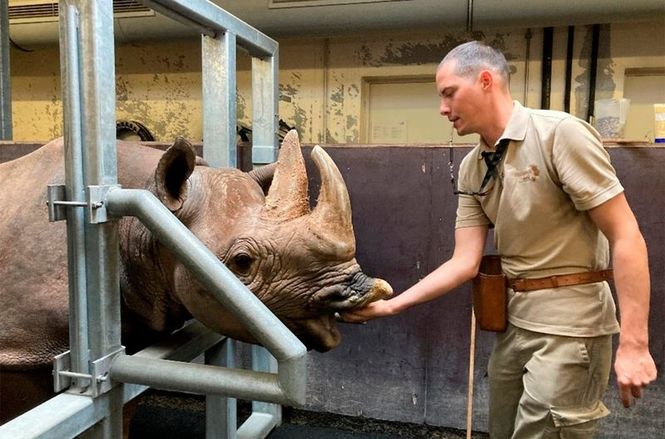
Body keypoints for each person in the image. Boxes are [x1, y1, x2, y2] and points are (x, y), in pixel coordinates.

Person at [341, 41, 657, 438]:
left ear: (485, 80)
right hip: (515, 324)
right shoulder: (474, 166)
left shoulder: (560, 135)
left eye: (448, 92)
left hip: (571, 328)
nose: (442, 108)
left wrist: (634, 343)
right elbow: (464, 262)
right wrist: (392, 306)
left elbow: (626, 235)